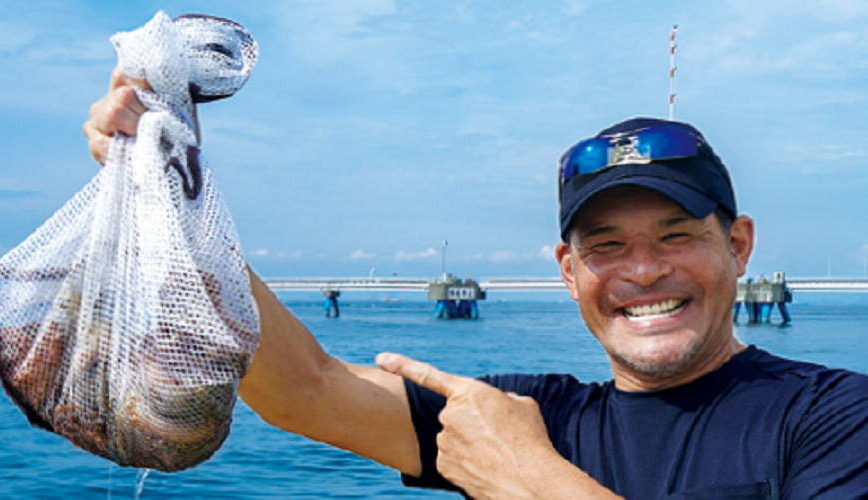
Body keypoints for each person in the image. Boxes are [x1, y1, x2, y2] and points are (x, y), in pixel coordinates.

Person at [85, 69, 868, 499]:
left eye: (675, 237)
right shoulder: (521, 416)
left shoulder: (835, 419)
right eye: (606, 246)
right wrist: (173, 203)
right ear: (568, 273)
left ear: (737, 245)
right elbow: (306, 390)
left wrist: (528, 480)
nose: (641, 271)